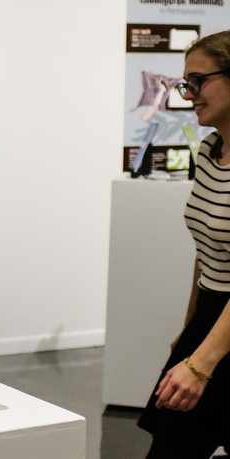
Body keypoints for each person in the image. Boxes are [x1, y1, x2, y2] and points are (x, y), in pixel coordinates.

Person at [138, 30, 230, 458]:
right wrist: (188, 329)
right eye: (184, 83)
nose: (188, 93)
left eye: (197, 81)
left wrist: (202, 362)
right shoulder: (211, 149)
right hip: (212, 320)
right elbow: (208, 251)